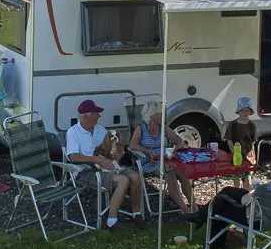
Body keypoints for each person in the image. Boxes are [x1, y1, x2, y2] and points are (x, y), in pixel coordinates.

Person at [182, 154, 271, 248]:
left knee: (221, 204)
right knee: (227, 192)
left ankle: (203, 221)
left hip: (255, 220)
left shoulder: (266, 189)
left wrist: (254, 191)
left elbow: (245, 201)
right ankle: (201, 217)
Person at [65, 99, 143, 230]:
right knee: (123, 180)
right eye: (96, 113)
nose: (99, 116)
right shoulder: (73, 132)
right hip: (85, 171)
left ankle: (136, 213)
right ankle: (111, 221)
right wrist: (98, 160)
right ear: (85, 116)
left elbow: (110, 152)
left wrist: (118, 148)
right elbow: (73, 157)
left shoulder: (100, 130)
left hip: (107, 165)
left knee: (135, 176)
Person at [129, 101, 192, 212]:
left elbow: (179, 141)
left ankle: (194, 207)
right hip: (149, 162)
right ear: (152, 115)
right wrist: (147, 152)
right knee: (169, 172)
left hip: (165, 159)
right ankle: (185, 210)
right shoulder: (141, 128)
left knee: (183, 174)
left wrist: (174, 151)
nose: (163, 116)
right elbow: (132, 145)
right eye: (160, 113)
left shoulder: (163, 128)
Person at [220, 96, 257, 189]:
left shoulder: (252, 125)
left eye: (247, 110)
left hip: (248, 155)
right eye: (242, 110)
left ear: (250, 112)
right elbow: (229, 140)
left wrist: (252, 155)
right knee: (236, 176)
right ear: (238, 111)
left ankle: (246, 195)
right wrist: (234, 152)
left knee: (247, 177)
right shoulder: (232, 125)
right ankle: (237, 193)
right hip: (236, 155)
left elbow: (253, 142)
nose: (244, 112)